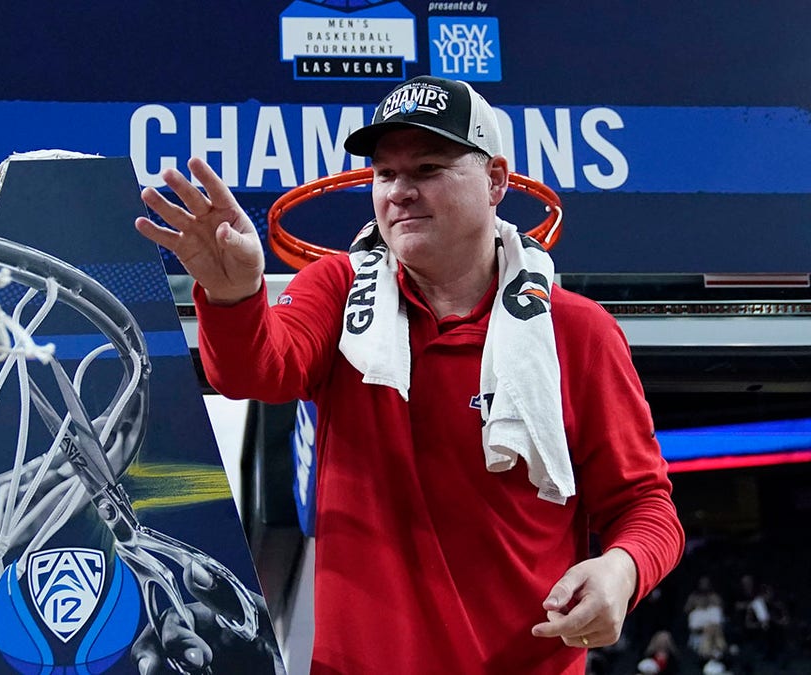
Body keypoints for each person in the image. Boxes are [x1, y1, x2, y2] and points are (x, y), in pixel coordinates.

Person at [133, 75, 685, 674]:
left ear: (496, 181)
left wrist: (621, 569)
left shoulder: (579, 332)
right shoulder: (340, 290)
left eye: (426, 169)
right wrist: (235, 294)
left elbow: (645, 505)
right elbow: (258, 373)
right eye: (384, 174)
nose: (399, 192)